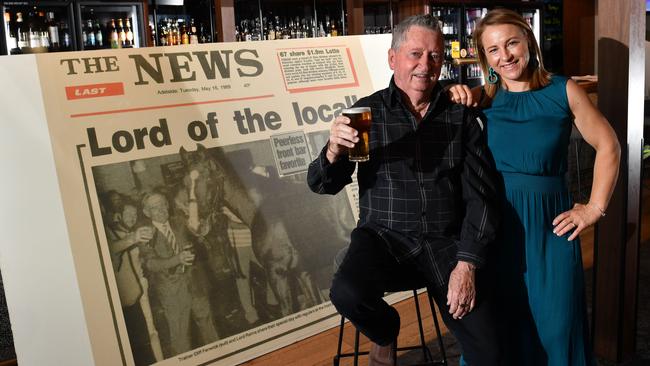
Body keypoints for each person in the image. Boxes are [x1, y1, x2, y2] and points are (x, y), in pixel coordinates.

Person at [307, 14, 501, 366]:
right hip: (384, 239)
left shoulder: (458, 115)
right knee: (347, 292)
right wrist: (333, 150)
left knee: (491, 350)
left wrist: (468, 264)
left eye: (435, 56)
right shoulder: (366, 113)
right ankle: (386, 330)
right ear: (392, 58)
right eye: (415, 54)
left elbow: (481, 197)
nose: (425, 65)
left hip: (446, 246)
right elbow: (324, 184)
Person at [447, 8, 620, 366]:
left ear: (529, 41)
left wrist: (593, 208)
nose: (505, 55)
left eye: (511, 42)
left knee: (557, 328)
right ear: (485, 58)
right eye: (493, 50)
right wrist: (458, 92)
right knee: (500, 328)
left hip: (549, 229)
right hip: (495, 229)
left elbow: (609, 146)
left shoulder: (563, 90)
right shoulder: (483, 99)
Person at [140, 192, 219, 357]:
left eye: (163, 204)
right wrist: (177, 259)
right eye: (155, 208)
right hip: (171, 291)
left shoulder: (178, 222)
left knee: (208, 326)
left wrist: (203, 228)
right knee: (180, 336)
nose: (161, 210)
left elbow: (197, 229)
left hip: (195, 283)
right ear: (147, 213)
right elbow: (151, 263)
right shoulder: (145, 233)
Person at [105, 200, 158, 364]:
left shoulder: (131, 232)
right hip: (127, 301)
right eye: (128, 214)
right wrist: (132, 239)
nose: (132, 217)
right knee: (139, 343)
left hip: (140, 291)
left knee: (150, 333)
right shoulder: (111, 236)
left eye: (134, 214)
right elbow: (111, 248)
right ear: (118, 216)